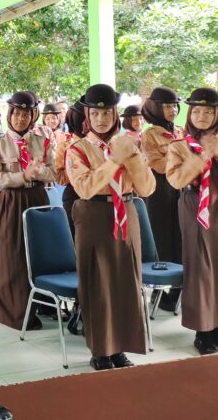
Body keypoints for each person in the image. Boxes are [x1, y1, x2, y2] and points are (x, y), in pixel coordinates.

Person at [65, 84, 154, 370]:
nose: (101, 119)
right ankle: (101, 350)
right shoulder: (77, 149)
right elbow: (86, 188)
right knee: (98, 283)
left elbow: (146, 188)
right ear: (87, 116)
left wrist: (131, 157)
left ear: (115, 114)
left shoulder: (129, 144)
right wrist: (114, 160)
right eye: (95, 113)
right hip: (93, 214)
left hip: (126, 211)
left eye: (106, 113)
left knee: (127, 281)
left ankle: (121, 347)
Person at [166, 88, 218, 356]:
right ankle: (203, 331)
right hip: (194, 204)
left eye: (208, 111)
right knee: (201, 267)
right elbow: (176, 180)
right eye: (196, 111)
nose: (201, 116)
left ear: (216, 114)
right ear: (189, 113)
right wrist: (202, 156)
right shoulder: (179, 145)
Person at [0, 91, 54, 331]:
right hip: (11, 202)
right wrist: (24, 175)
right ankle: (16, 311)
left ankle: (43, 303)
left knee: (39, 251)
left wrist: (39, 172)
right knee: (12, 254)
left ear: (33, 116)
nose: (21, 119)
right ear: (10, 114)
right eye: (17, 114)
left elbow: (53, 172)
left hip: (38, 198)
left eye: (26, 114)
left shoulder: (42, 141)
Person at [142, 87, 183, 311]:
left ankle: (176, 290)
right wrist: (180, 161)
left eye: (175, 105)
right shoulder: (150, 134)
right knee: (161, 240)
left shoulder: (179, 131)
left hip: (179, 190)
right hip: (160, 191)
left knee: (179, 239)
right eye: (167, 106)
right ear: (156, 108)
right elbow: (156, 164)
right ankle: (159, 291)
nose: (173, 109)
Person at [55, 101, 86, 236]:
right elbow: (59, 177)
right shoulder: (65, 146)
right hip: (74, 196)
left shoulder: (100, 145)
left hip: (99, 197)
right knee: (76, 237)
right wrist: (76, 170)